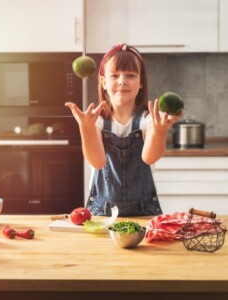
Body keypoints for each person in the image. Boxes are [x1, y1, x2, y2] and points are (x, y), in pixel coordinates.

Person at [65, 43, 182, 216]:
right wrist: (86, 128)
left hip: (144, 215)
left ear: (141, 82)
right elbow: (97, 162)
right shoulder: (96, 121)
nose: (122, 81)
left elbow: (149, 158)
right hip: (101, 215)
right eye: (114, 75)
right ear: (104, 82)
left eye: (130, 75)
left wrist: (160, 131)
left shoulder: (148, 120)